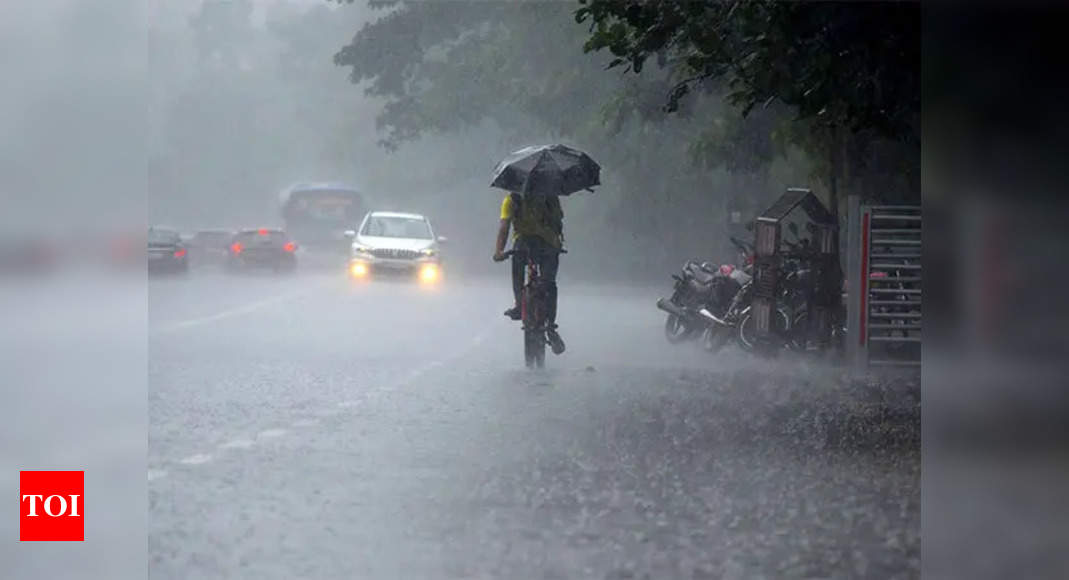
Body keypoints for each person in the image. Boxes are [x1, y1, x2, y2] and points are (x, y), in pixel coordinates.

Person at [492, 190, 566, 355]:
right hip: (548, 245)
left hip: (523, 245)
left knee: (517, 269)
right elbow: (559, 220)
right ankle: (551, 326)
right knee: (549, 283)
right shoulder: (550, 196)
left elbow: (504, 227)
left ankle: (519, 304)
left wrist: (499, 251)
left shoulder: (512, 199)